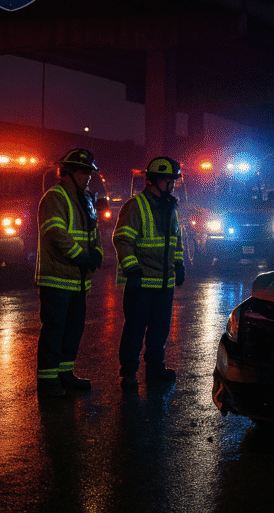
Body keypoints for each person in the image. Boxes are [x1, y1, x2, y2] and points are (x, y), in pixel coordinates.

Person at [36, 148, 105, 397]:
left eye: (90, 172)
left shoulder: (84, 198)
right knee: (54, 330)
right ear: (69, 172)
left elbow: (93, 232)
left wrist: (97, 253)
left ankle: (65, 374)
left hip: (77, 279)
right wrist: (81, 256)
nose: (89, 177)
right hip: (57, 277)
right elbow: (56, 234)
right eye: (84, 172)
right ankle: (47, 382)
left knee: (73, 329)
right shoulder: (55, 197)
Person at [114, 156, 186, 388]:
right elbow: (123, 240)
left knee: (160, 329)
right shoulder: (135, 206)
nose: (172, 185)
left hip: (164, 283)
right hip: (142, 282)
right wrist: (132, 269)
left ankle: (155, 368)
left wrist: (179, 264)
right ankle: (129, 372)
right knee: (135, 328)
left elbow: (176, 240)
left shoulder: (169, 207)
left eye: (174, 180)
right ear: (154, 180)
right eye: (169, 180)